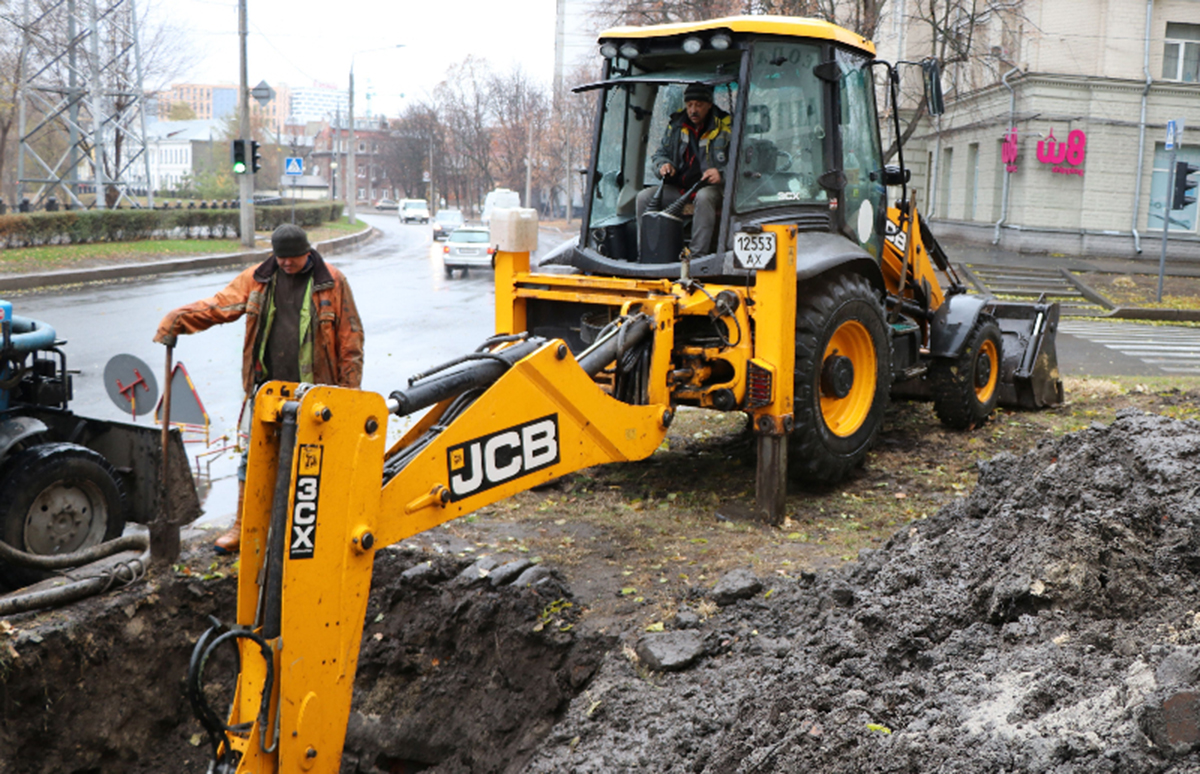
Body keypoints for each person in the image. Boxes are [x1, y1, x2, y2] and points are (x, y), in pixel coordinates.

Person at [154, 223, 364, 554]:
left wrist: (349, 396)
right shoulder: (259, 278)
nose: (286, 264)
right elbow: (221, 305)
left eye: (293, 258)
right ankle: (244, 526)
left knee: (312, 462)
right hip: (266, 390)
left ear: (306, 253)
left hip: (314, 394)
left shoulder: (331, 282)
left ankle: (313, 532)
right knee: (253, 459)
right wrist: (178, 319)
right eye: (281, 258)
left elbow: (350, 339)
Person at [636, 82, 732, 257]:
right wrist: (663, 165)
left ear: (709, 105)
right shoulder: (676, 126)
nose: (693, 110)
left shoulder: (727, 126)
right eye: (689, 105)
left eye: (699, 105)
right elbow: (660, 154)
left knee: (704, 198)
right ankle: (646, 253)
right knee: (644, 197)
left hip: (713, 188)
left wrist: (722, 174)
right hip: (681, 189)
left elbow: (741, 162)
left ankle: (696, 257)